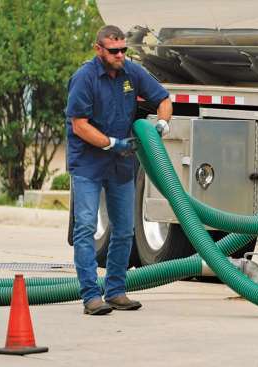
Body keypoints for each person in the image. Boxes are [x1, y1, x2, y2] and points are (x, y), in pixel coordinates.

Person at [66, 25, 172, 315]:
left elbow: (163, 99)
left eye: (124, 49)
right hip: (88, 163)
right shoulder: (85, 78)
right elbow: (79, 125)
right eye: (114, 51)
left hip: (121, 163)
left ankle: (115, 291)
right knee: (86, 227)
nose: (120, 55)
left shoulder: (131, 72)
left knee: (125, 230)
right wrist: (111, 142)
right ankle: (90, 295)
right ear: (98, 49)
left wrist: (161, 125)